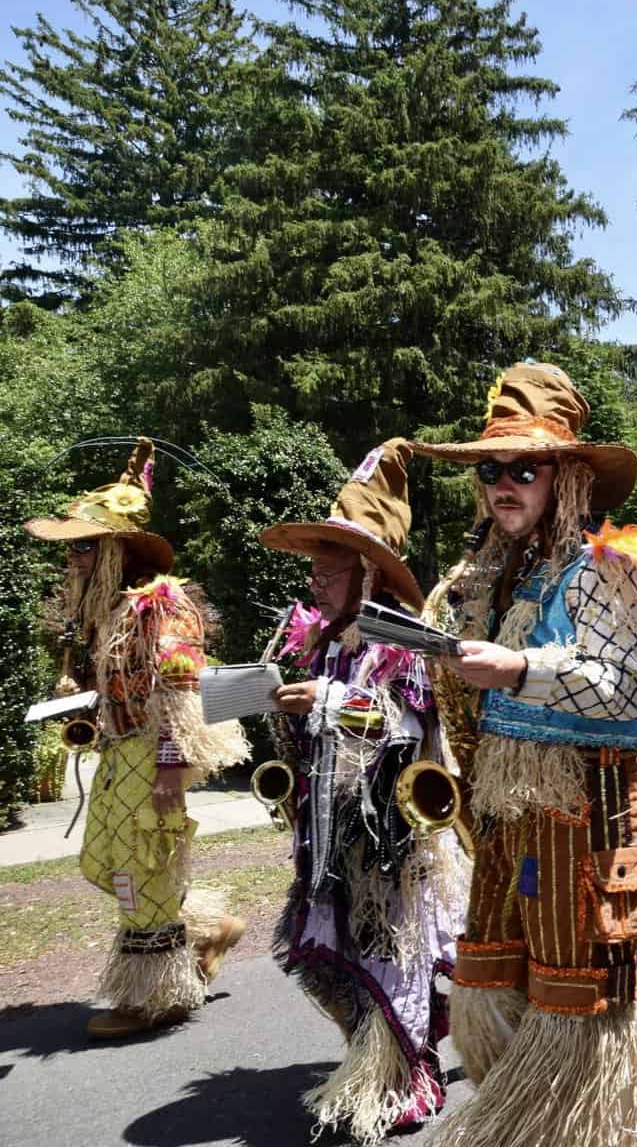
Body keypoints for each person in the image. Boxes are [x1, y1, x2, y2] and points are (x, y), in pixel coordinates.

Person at [412, 363, 637, 1146]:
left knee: (577, 1005)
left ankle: (602, 1118)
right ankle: (603, 1107)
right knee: (491, 985)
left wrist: (520, 669)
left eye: (523, 469)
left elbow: (631, 693)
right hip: (510, 816)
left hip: (585, 813)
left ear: (566, 476)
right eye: (491, 469)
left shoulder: (611, 566)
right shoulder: (494, 575)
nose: (503, 484)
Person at [258, 438, 467, 1141]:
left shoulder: (399, 639)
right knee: (324, 956)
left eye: (330, 570)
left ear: (370, 574)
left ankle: (399, 1077)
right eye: (313, 570)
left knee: (387, 949)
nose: (315, 582)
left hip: (388, 838)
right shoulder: (324, 643)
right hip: (326, 834)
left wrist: (322, 701)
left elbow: (403, 723)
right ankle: (389, 1047)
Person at [25, 438, 248, 1039]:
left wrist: (171, 775)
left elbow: (182, 690)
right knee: (101, 864)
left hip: (154, 756)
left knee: (142, 869)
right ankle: (203, 930)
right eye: (70, 546)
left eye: (81, 546)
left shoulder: (160, 606)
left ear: (113, 548)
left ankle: (157, 998)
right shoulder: (110, 610)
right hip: (120, 752)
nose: (70, 558)